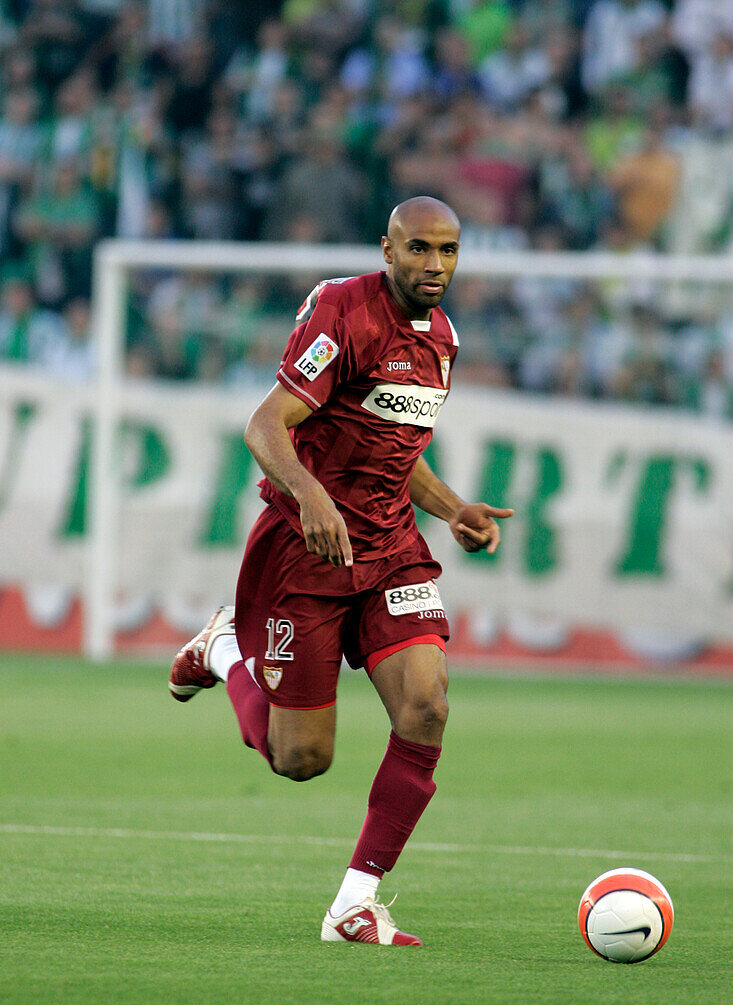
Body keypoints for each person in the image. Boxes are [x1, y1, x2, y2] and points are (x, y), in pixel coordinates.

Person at [169, 196, 513, 946]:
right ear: (386, 250)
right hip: (307, 548)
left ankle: (354, 904)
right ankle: (224, 649)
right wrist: (312, 495)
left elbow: (395, 448)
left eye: (447, 252)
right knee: (301, 761)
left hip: (390, 549)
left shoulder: (443, 339)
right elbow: (266, 424)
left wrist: (451, 508)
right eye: (418, 250)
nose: (434, 266)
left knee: (426, 707)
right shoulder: (339, 310)